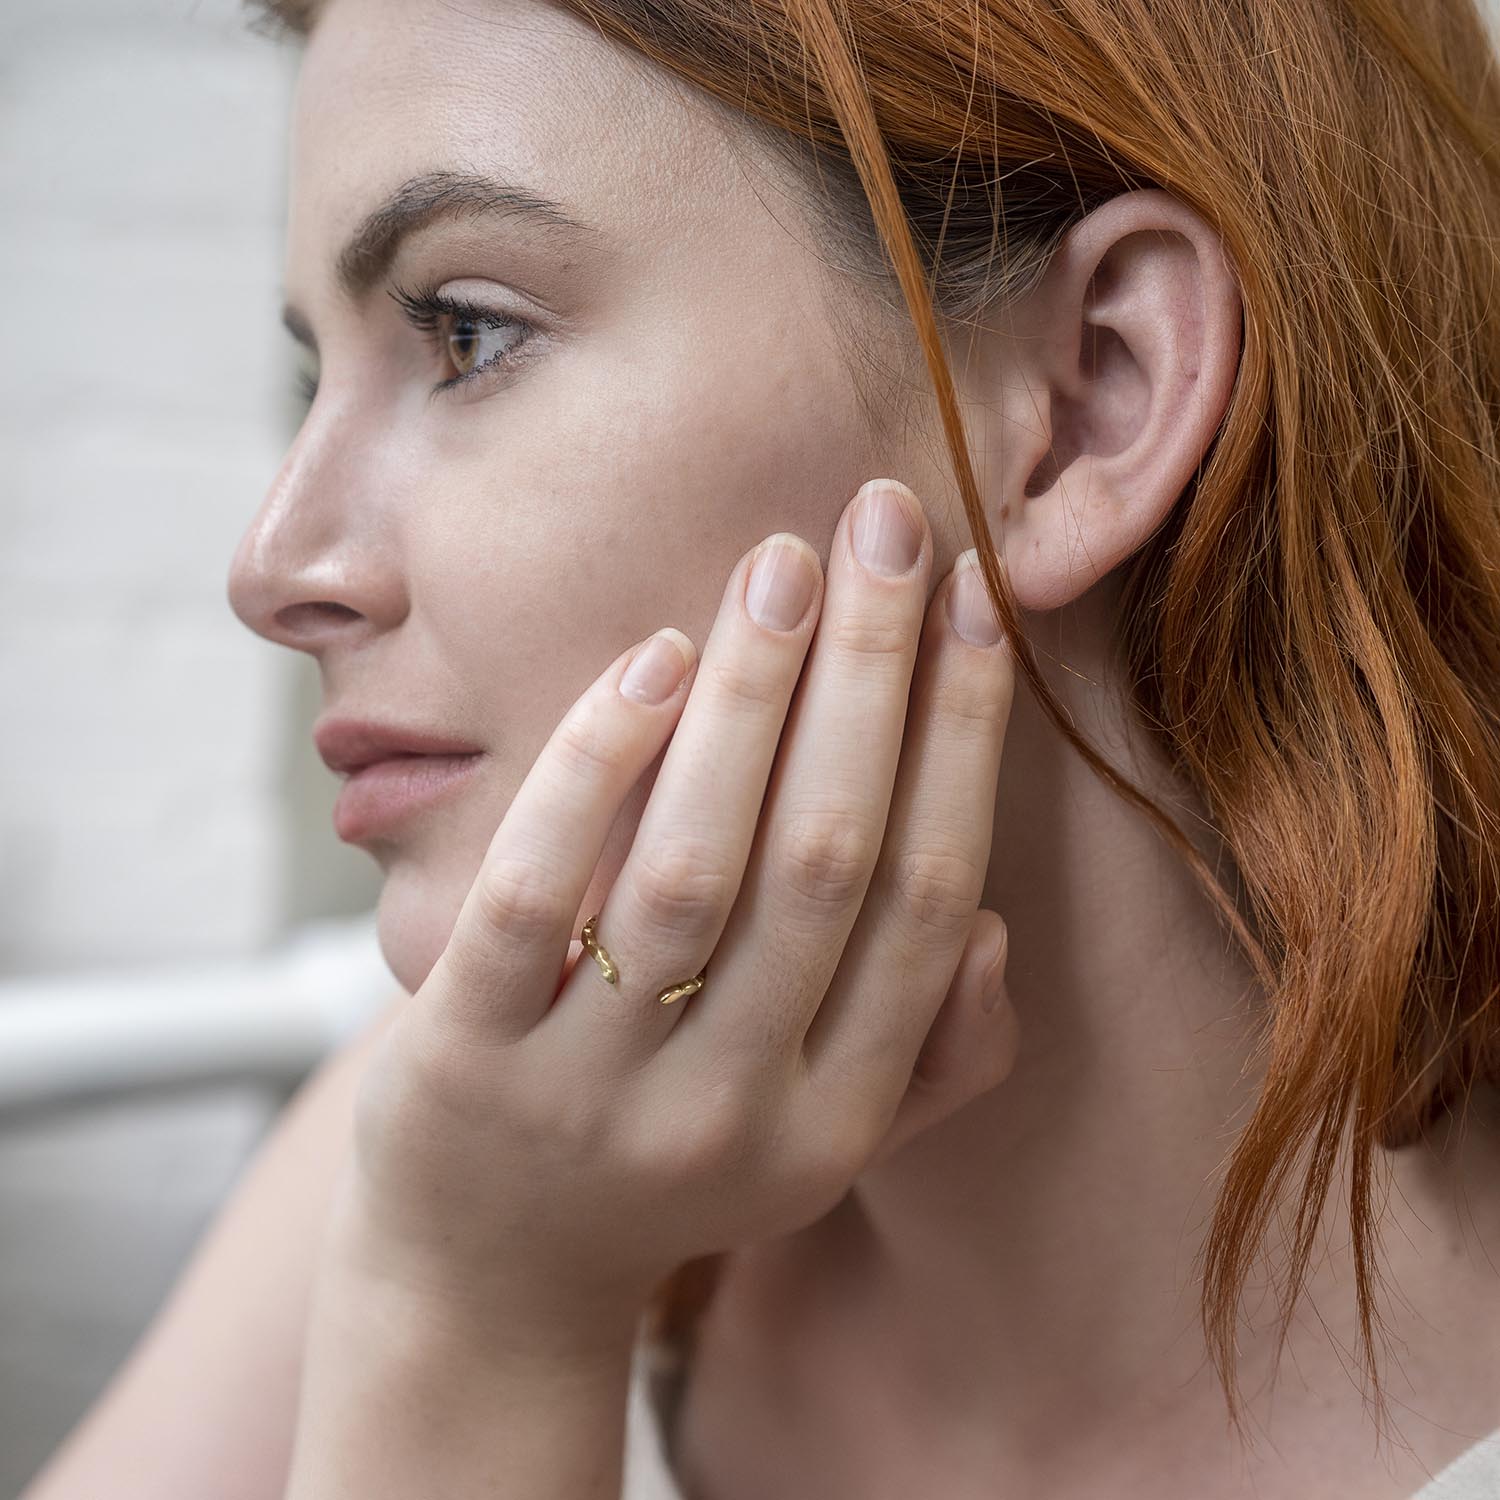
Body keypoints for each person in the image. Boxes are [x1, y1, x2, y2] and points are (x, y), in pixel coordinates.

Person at [20, 0, 1500, 1494]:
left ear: (1089, 397)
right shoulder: (477, 1145)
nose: (273, 568)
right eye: (308, 382)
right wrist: (479, 1307)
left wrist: (485, 1323)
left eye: (465, 333)